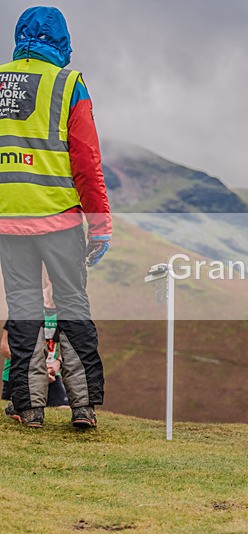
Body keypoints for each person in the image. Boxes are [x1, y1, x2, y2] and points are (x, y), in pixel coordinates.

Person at [0, 7, 112, 429]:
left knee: (24, 306)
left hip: (8, 219)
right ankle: (82, 408)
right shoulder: (69, 84)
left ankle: (29, 409)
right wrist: (100, 224)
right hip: (61, 218)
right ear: (62, 40)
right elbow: (87, 161)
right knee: (72, 305)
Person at [3, 268, 69, 420]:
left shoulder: (65, 311)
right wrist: (37, 368)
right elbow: (4, 346)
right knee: (17, 414)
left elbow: (69, 347)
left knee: (64, 411)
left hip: (52, 376)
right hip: (20, 374)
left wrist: (58, 363)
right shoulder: (26, 307)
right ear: (47, 280)